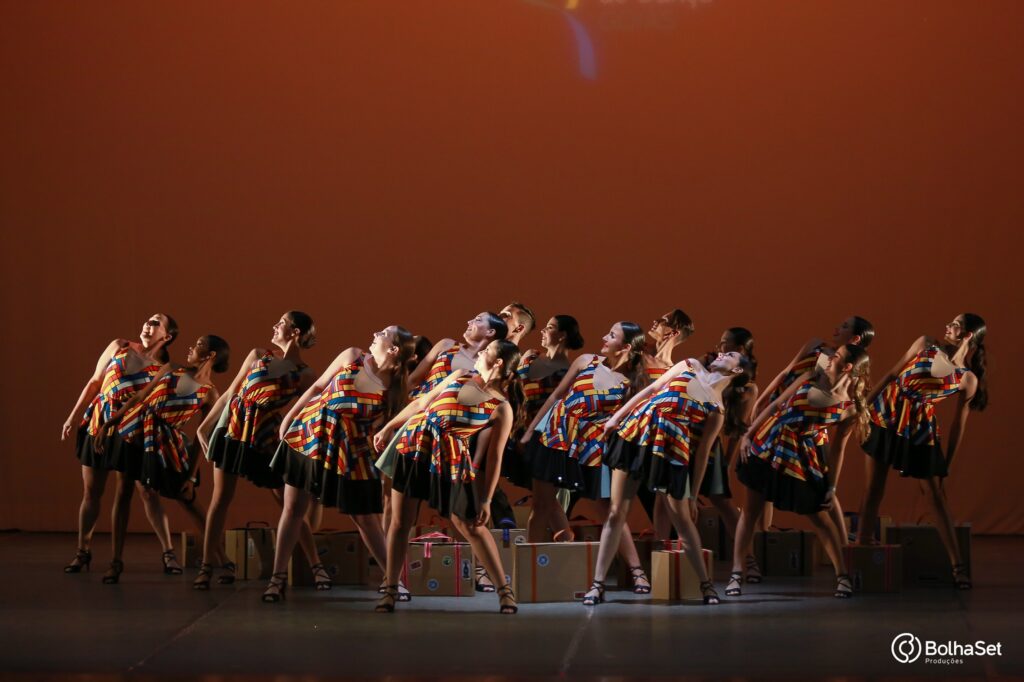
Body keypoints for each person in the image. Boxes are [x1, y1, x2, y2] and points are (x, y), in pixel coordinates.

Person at [261, 326, 415, 602]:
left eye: (385, 333)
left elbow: (387, 429)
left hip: (350, 450)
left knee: (366, 518)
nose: (377, 332)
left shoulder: (394, 388)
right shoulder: (353, 356)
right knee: (294, 508)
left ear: (393, 350)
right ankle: (277, 578)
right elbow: (318, 386)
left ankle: (393, 581)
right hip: (310, 436)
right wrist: (289, 419)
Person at [372, 339, 524, 614]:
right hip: (415, 446)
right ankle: (391, 588)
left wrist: (487, 500)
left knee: (471, 526)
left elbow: (495, 458)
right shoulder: (459, 375)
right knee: (400, 522)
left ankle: (504, 590)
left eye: (487, 351)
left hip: (451, 459)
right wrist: (389, 428)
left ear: (498, 362)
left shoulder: (501, 406)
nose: (479, 353)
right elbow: (421, 403)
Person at [592, 351, 755, 606]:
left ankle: (706, 586)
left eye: (731, 355)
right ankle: (598, 585)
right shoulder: (689, 364)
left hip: (670, 455)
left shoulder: (717, 409)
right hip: (636, 437)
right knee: (615, 513)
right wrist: (616, 417)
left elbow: (702, 456)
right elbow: (650, 391)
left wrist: (693, 494)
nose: (722, 353)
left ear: (736, 371)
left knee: (683, 521)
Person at [729, 344, 872, 599]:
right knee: (750, 512)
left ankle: (842, 576)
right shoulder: (810, 377)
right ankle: (737, 573)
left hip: (800, 457)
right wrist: (748, 436)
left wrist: (831, 486)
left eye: (836, 357)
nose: (830, 358)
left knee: (820, 519)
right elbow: (775, 406)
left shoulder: (849, 408)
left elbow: (837, 450)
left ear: (848, 367)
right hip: (769, 444)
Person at [193, 311, 323, 590]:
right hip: (233, 432)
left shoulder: (304, 374)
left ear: (295, 332)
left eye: (282, 323)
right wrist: (204, 426)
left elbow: (310, 413)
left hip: (265, 438)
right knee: (220, 500)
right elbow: (231, 393)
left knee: (288, 504)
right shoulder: (258, 355)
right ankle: (207, 566)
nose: (275, 326)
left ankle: (316, 566)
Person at [857, 314, 987, 589]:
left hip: (918, 429)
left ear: (967, 336)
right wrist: (863, 408)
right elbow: (893, 373)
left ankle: (958, 567)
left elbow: (957, 426)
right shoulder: (926, 344)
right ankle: (861, 552)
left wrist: (947, 464)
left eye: (954, 325)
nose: (947, 327)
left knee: (935, 497)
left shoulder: (967, 378)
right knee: (873, 490)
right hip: (886, 416)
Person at [521, 321, 651, 594]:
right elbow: (557, 395)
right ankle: (527, 567)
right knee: (542, 503)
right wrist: (531, 430)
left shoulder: (633, 382)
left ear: (626, 347)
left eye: (612, 335)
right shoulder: (586, 361)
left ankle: (637, 571)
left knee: (608, 510)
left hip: (592, 446)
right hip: (556, 435)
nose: (604, 336)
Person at [94, 336, 230, 583]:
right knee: (123, 491)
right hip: (132, 432)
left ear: (210, 356)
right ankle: (115, 563)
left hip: (164, 444)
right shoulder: (173, 367)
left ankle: (222, 559)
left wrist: (191, 474)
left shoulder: (210, 393)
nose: (191, 347)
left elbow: (204, 438)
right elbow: (139, 398)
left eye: (198, 344)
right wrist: (110, 423)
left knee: (187, 498)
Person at [60, 314, 182, 574]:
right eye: (148, 321)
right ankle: (83, 551)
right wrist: (72, 416)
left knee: (146, 492)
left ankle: (168, 552)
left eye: (155, 323)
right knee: (92, 492)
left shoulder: (163, 367)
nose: (147, 325)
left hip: (131, 430)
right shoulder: (119, 346)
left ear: (167, 336)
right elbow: (94, 382)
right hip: (98, 422)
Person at [753, 315, 875, 538]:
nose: (837, 327)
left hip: (809, 428)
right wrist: (763, 400)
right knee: (764, 480)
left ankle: (843, 544)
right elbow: (786, 372)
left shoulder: (844, 367)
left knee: (823, 488)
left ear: (855, 339)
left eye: (845, 326)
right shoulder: (815, 345)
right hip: (782, 410)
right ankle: (764, 537)